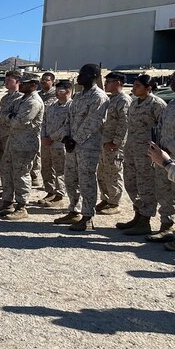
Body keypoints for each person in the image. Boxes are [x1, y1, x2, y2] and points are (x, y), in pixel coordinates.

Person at [53, 66, 108, 231]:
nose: (79, 76)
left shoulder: (99, 97)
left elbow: (93, 122)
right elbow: (69, 118)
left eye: (82, 74)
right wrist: (66, 137)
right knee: (70, 179)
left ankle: (88, 217)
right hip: (72, 145)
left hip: (88, 147)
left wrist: (74, 140)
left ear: (94, 76)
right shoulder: (78, 96)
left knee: (86, 181)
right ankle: (74, 210)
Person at [116, 74, 166, 235]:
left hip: (147, 153)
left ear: (148, 88)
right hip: (131, 149)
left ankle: (145, 220)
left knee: (146, 185)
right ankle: (138, 215)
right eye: (134, 85)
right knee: (131, 183)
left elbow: (163, 129)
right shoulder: (134, 103)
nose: (134, 88)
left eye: (138, 85)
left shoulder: (157, 104)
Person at [0, 76, 43, 220]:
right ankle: (7, 203)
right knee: (8, 172)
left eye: (25, 84)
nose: (21, 85)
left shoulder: (34, 102)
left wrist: (10, 117)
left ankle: (22, 207)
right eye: (21, 83)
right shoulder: (20, 100)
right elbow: (1, 115)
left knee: (21, 175)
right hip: (13, 142)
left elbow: (20, 122)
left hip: (26, 144)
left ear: (33, 85)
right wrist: (11, 116)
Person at [148, 65, 175, 243]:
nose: (172, 81)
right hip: (164, 158)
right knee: (165, 194)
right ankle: (166, 227)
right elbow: (160, 127)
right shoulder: (173, 104)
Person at [0, 71, 24, 215]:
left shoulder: (21, 98)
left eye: (9, 80)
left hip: (14, 139)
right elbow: (0, 119)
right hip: (2, 139)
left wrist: (6, 117)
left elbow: (15, 119)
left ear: (17, 82)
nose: (6, 82)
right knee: (4, 169)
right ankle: (7, 198)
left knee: (15, 171)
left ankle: (18, 202)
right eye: (5, 80)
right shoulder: (4, 99)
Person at [96, 72, 130, 215]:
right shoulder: (111, 99)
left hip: (114, 145)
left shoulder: (124, 100)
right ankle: (106, 198)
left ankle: (114, 202)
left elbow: (125, 123)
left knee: (114, 173)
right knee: (102, 172)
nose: (106, 84)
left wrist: (116, 142)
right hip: (104, 142)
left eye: (109, 81)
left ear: (118, 83)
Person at [37, 79, 70, 208]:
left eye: (59, 90)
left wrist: (51, 137)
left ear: (67, 91)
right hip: (47, 143)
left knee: (60, 170)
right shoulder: (52, 106)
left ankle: (59, 195)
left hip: (59, 144)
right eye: (56, 90)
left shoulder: (71, 107)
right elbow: (43, 121)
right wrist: (44, 136)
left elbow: (67, 126)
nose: (56, 93)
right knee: (46, 168)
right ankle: (50, 192)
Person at [148, 140, 175, 251]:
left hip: (172, 156)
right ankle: (166, 226)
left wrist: (167, 164)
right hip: (165, 152)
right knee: (164, 190)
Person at [32, 72, 57, 187]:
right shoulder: (39, 94)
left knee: (47, 159)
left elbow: (44, 108)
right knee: (35, 153)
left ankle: (51, 184)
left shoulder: (55, 95)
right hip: (37, 128)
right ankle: (35, 175)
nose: (43, 82)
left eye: (46, 80)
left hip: (49, 130)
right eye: (42, 80)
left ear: (53, 82)